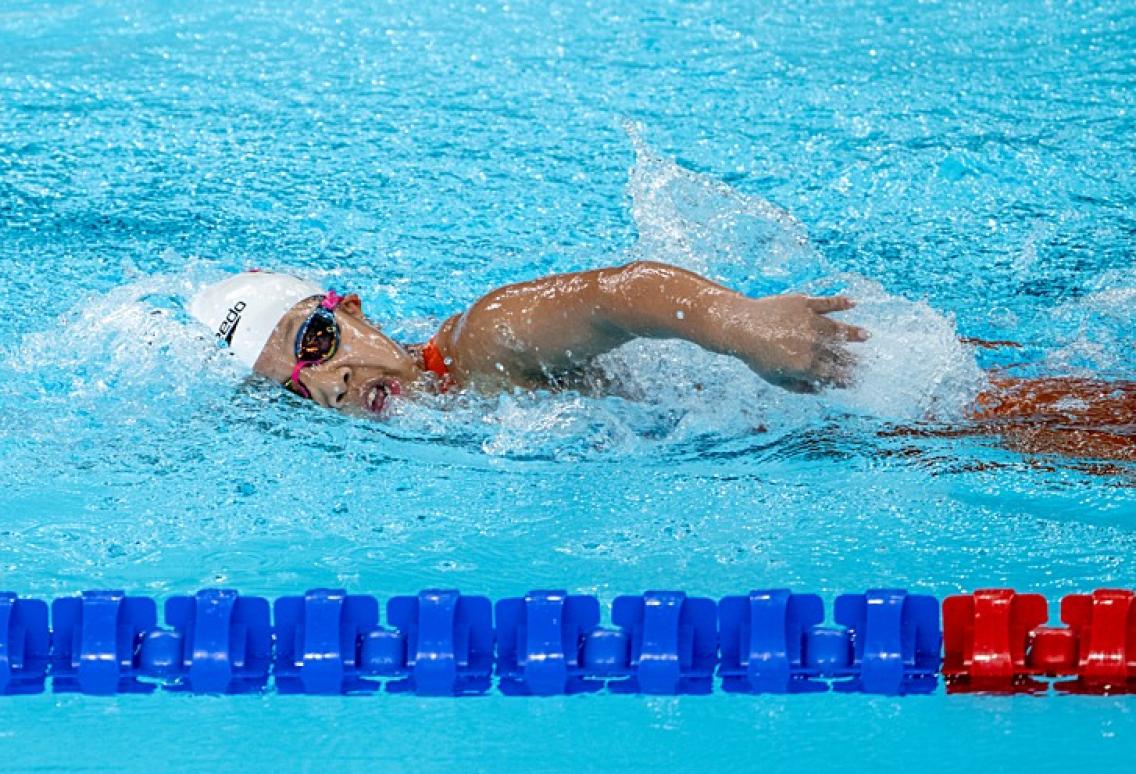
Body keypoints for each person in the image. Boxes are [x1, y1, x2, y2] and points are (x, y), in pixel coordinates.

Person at [188, 264, 1135, 462]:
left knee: (1032, 422)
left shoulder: (480, 341)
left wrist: (746, 329)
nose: (332, 384)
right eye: (300, 389)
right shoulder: (443, 409)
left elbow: (618, 295)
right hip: (784, 424)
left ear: (346, 310)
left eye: (315, 344)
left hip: (813, 380)